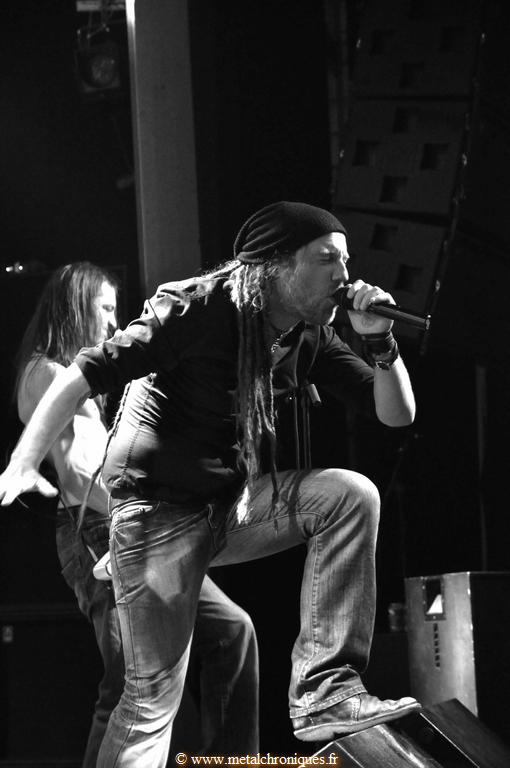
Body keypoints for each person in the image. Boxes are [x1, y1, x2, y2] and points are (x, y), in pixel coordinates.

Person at [1, 202, 420, 767]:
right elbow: (83, 373)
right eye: (327, 259)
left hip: (227, 508)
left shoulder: (308, 335)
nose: (344, 276)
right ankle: (127, 559)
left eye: (346, 261)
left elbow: (396, 415)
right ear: (276, 264)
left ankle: (326, 692)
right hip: (156, 513)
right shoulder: (200, 307)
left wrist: (382, 344)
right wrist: (24, 461)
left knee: (351, 496)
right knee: (151, 700)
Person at [12, 261, 259, 767]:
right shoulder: (47, 373)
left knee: (231, 632)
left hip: (127, 529)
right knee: (131, 680)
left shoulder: (60, 375)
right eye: (104, 308)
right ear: (75, 306)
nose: (112, 321)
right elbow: (81, 471)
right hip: (100, 532)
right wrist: (149, 513)